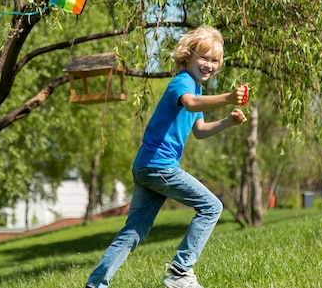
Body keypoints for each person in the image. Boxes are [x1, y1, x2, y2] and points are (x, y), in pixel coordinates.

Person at [85, 25, 248, 288]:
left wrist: (228, 122)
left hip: (147, 166)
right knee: (211, 207)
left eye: (214, 60)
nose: (208, 65)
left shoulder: (197, 89)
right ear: (188, 55)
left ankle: (96, 285)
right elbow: (190, 104)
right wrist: (228, 98)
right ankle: (180, 271)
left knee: (133, 232)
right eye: (203, 58)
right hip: (160, 166)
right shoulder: (183, 82)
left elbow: (200, 131)